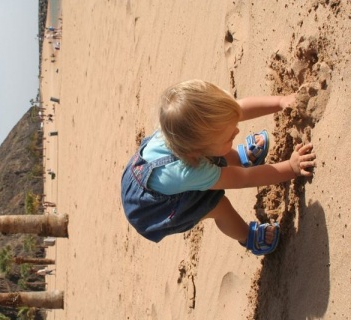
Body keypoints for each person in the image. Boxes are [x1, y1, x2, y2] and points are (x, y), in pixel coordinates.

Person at [120, 79, 316, 255]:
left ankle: (238, 156)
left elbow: (237, 110)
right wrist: (291, 167)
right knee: (218, 206)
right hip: (153, 208)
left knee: (218, 145)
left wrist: (281, 102)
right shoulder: (191, 172)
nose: (238, 130)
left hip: (143, 173)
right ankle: (248, 237)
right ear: (197, 153)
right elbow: (244, 178)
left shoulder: (185, 129)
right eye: (230, 136)